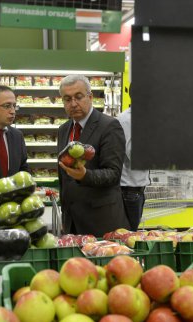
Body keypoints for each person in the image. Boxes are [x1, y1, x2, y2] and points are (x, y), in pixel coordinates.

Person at [57, 75, 130, 237]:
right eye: (67, 99)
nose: (73, 103)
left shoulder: (109, 126)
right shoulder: (63, 130)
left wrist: (85, 176)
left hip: (101, 221)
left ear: (90, 97)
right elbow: (64, 176)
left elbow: (113, 174)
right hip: (72, 223)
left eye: (78, 97)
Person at [117, 85, 151, 231]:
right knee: (129, 234)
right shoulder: (129, 120)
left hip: (135, 188)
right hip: (129, 189)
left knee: (130, 233)